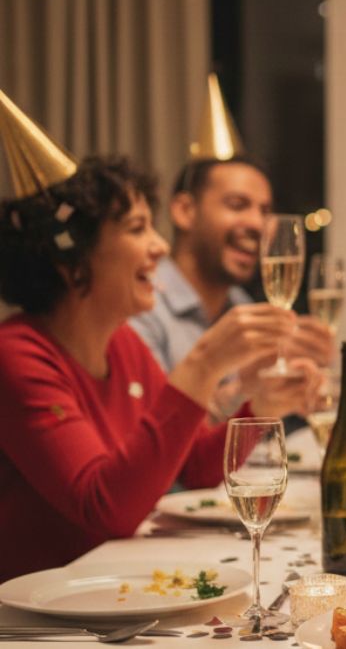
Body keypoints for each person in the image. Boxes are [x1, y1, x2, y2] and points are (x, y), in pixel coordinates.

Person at [0, 100, 317, 580]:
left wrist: (258, 404)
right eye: (136, 229)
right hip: (37, 617)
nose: (160, 246)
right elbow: (105, 507)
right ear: (74, 261)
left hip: (114, 592)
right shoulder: (18, 353)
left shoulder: (122, 344)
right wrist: (204, 363)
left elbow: (198, 469)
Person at [130, 74, 333, 419]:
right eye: (238, 205)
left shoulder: (239, 305)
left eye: (264, 211)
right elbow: (151, 439)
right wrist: (240, 386)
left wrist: (291, 388)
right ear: (184, 210)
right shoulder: (143, 308)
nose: (257, 224)